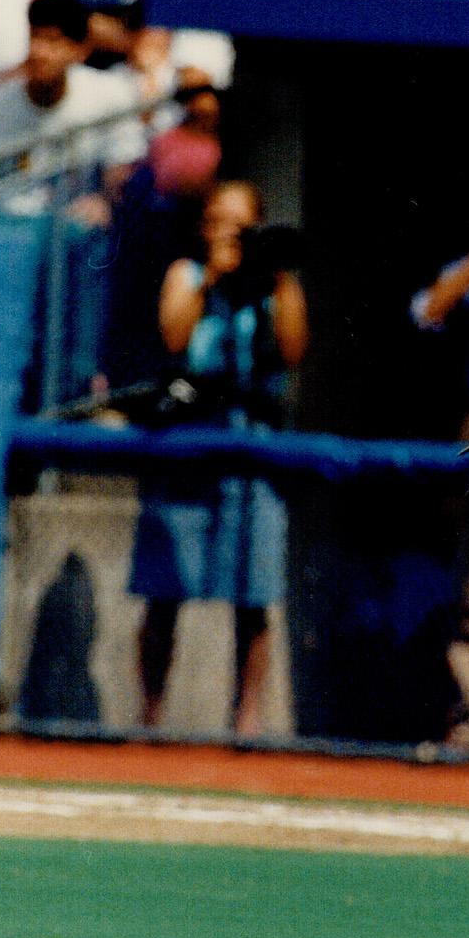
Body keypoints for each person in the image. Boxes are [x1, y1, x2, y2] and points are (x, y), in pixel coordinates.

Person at [129, 178, 309, 735]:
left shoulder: (275, 283)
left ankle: (246, 722)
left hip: (251, 441)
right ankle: (149, 719)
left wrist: (273, 277)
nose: (228, 234)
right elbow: (174, 337)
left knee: (253, 597)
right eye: (217, 222)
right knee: (164, 592)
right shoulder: (185, 275)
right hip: (189, 439)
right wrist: (212, 277)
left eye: (239, 225)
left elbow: (294, 350)